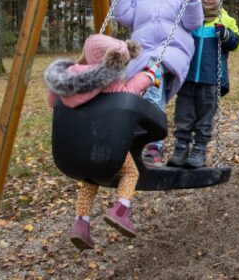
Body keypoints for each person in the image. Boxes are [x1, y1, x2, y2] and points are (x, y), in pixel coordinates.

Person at [44, 34, 162, 250]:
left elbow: (53, 102)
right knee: (130, 173)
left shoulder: (64, 80)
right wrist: (148, 76)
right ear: (112, 62)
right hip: (105, 146)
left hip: (75, 148)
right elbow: (128, 93)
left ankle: (81, 224)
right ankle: (120, 211)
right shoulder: (109, 82)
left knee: (89, 179)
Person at [113, 0, 203, 167]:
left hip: (172, 52)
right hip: (142, 53)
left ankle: (153, 145)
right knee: (141, 90)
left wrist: (194, 1)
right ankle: (136, 140)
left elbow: (194, 24)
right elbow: (125, 17)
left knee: (152, 79)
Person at [167, 0, 239, 168]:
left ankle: (199, 151)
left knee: (205, 116)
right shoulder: (190, 17)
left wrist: (226, 35)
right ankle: (181, 148)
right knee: (183, 114)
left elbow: (237, 43)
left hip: (211, 78)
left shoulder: (225, 20)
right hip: (188, 76)